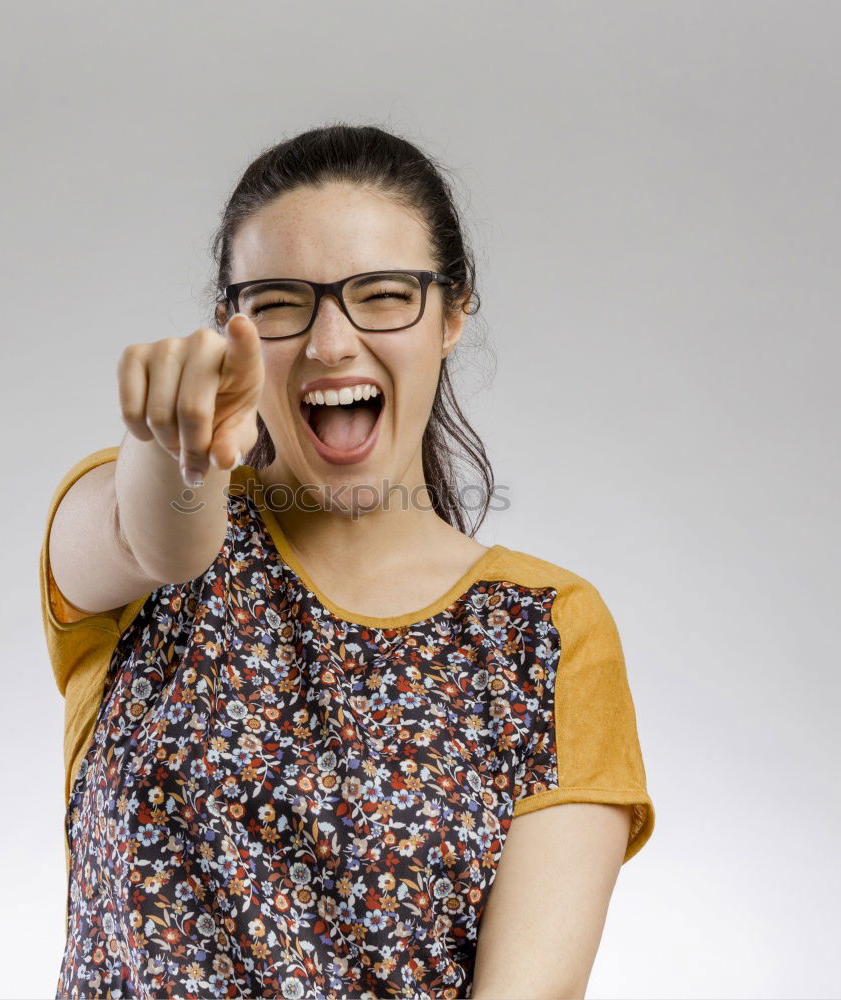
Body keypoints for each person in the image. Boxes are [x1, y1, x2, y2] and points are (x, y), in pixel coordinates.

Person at [40, 123, 655, 1000]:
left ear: (451, 315)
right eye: (281, 301)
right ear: (232, 331)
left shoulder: (546, 630)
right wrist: (180, 448)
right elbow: (160, 543)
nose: (330, 343)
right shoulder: (131, 540)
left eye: (380, 293)